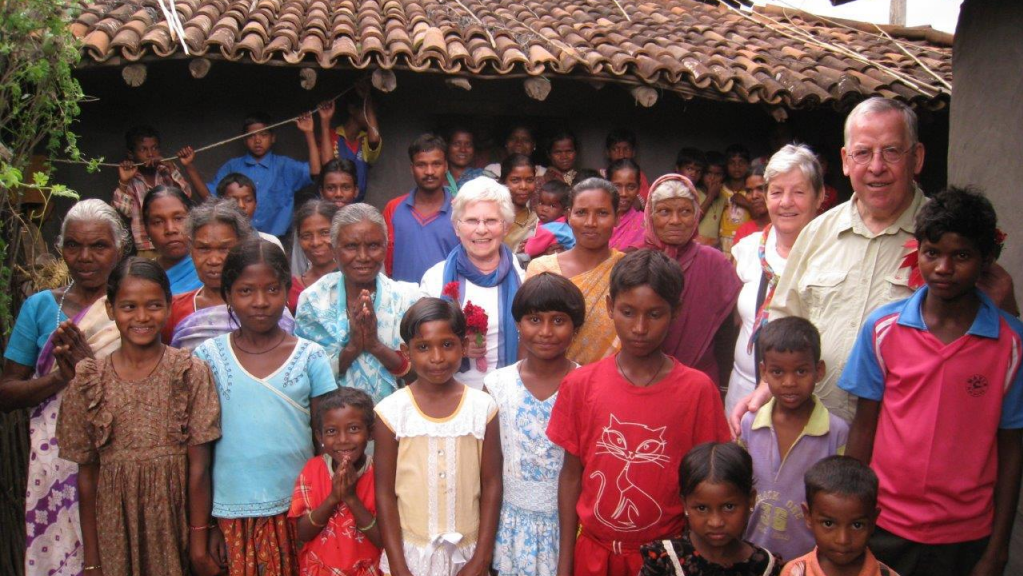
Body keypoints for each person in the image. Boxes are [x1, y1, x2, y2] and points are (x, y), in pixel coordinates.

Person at [838, 187, 1023, 576]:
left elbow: (1012, 450)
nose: (943, 267)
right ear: (917, 250)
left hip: (967, 534)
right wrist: (849, 522)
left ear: (987, 259)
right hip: (885, 523)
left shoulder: (1011, 343)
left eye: (962, 256)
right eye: (932, 252)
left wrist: (997, 550)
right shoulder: (882, 329)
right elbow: (864, 428)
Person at [731, 97, 928, 425]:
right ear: (846, 161)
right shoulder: (817, 234)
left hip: (903, 437)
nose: (876, 166)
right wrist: (766, 389)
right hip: (816, 433)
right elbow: (786, 317)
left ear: (917, 157)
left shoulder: (941, 239)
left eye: (892, 151)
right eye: (863, 153)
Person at [547, 250, 731, 576]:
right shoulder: (580, 384)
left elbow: (708, 483)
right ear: (609, 307)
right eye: (628, 312)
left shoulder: (697, 390)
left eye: (655, 314)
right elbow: (571, 475)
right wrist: (565, 562)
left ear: (676, 312)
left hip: (668, 559)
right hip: (593, 556)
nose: (640, 327)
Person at [56, 257, 221, 576]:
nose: (142, 317)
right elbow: (87, 477)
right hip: (116, 525)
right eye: (129, 307)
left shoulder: (189, 372)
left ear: (169, 306)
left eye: (154, 305)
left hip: (177, 517)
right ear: (109, 310)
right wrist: (92, 560)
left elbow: (200, 466)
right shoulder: (89, 380)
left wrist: (199, 539)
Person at [194, 239, 337, 576]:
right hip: (231, 516)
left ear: (287, 290)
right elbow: (199, 456)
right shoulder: (207, 359)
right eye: (246, 291)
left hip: (300, 513)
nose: (260, 302)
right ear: (228, 294)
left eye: (272, 289)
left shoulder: (311, 357)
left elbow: (325, 446)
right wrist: (203, 529)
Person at [0, 199, 126, 576]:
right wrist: (59, 378)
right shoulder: (41, 307)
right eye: (74, 245)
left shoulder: (136, 304)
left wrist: (91, 370)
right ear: (61, 249)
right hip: (54, 460)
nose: (85, 257)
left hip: (121, 450)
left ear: (119, 249)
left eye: (99, 246)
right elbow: (6, 392)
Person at [373, 298, 502, 576]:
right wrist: (397, 565)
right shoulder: (391, 413)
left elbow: (492, 484)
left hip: (468, 555)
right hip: (410, 556)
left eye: (447, 344)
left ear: (464, 346)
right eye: (423, 347)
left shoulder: (483, 409)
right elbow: (384, 494)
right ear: (406, 352)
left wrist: (481, 557)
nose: (437, 358)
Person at [485, 273, 585, 576]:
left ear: (576, 329)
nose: (545, 331)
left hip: (569, 530)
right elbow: (489, 473)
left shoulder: (585, 385)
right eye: (534, 319)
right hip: (509, 529)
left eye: (558, 320)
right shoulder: (497, 386)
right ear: (518, 324)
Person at [725, 145, 824, 416]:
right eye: (777, 192)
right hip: (741, 391)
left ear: (820, 197)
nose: (786, 202)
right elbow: (733, 320)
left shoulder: (831, 256)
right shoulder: (747, 249)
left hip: (800, 399)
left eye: (799, 192)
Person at [738, 317, 848, 562]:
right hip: (753, 555)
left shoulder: (836, 432)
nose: (789, 382)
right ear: (764, 372)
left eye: (801, 371)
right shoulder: (750, 424)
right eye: (778, 372)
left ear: (818, 371)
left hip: (808, 560)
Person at [295, 203, 423, 403]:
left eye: (373, 246)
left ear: (385, 248)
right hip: (339, 427)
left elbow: (428, 374)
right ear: (334, 250)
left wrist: (375, 346)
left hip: (400, 425)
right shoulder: (313, 301)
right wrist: (353, 347)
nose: (363, 257)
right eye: (351, 246)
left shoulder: (409, 300)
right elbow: (305, 379)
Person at [421, 178, 524, 389]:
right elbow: (421, 345)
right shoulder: (435, 278)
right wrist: (460, 347)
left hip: (510, 391)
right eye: (471, 220)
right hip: (453, 394)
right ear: (456, 227)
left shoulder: (522, 276)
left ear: (506, 227)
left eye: (491, 220)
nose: (481, 230)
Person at [643, 174, 741, 386]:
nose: (675, 220)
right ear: (650, 216)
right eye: (664, 211)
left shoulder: (714, 263)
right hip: (643, 377)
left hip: (701, 379)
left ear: (697, 215)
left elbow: (727, 333)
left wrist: (724, 385)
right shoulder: (635, 260)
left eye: (685, 211)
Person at [640, 443, 782, 576]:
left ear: (750, 500)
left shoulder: (765, 566)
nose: (716, 522)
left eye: (729, 507)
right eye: (702, 508)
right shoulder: (664, 559)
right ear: (685, 504)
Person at [163, 199, 284, 351]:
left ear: (242, 246)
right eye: (203, 249)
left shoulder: (265, 305)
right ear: (191, 247)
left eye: (224, 249)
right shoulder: (174, 310)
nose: (213, 260)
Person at [527, 178, 624, 365]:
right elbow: (526, 336)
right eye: (581, 213)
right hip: (548, 384)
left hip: (606, 383)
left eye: (602, 213)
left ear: (617, 217)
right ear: (569, 216)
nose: (590, 223)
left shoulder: (625, 270)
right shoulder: (541, 269)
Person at [289, 387, 382, 576]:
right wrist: (333, 497)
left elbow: (383, 539)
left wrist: (351, 498)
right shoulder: (312, 470)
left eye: (353, 428)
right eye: (331, 431)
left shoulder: (380, 474)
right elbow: (303, 533)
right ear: (319, 436)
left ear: (371, 432)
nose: (343, 440)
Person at [192, 112, 320, 237]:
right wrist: (189, 167)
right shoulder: (232, 166)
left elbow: (315, 171)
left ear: (273, 138)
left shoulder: (284, 165)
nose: (257, 140)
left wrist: (308, 132)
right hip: (239, 238)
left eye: (263, 135)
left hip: (279, 239)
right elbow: (210, 197)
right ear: (244, 139)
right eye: (252, 136)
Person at [780, 456, 896, 576]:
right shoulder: (795, 572)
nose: (842, 540)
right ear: (808, 516)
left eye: (857, 525)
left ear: (873, 520)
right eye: (828, 523)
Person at [113, 125, 203, 256]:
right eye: (143, 149)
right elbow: (120, 213)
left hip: (177, 243)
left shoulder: (165, 173)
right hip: (147, 248)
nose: (150, 154)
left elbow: (186, 196)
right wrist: (124, 182)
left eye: (154, 148)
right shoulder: (131, 181)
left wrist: (172, 169)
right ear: (131, 154)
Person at [383, 133, 460, 283]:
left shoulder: (460, 210)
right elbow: (384, 259)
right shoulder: (393, 208)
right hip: (403, 302)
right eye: (421, 165)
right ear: (412, 169)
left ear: (445, 167)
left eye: (436, 164)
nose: (429, 171)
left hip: (445, 303)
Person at [291, 158, 360, 277]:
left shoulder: (365, 226)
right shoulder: (308, 224)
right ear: (321, 192)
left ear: (356, 191)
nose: (338, 194)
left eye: (346, 187)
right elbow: (297, 273)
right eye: (331, 188)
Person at [317, 87, 382, 202]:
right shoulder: (332, 135)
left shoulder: (366, 140)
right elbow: (327, 164)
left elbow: (374, 139)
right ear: (352, 109)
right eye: (366, 110)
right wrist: (325, 121)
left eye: (373, 112)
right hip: (330, 205)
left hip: (356, 208)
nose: (372, 117)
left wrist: (368, 101)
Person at [141, 185, 201, 295]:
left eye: (178, 219)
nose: (170, 229)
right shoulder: (142, 277)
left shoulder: (212, 269)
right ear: (146, 229)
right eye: (158, 222)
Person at [288, 200, 339, 313]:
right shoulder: (291, 288)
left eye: (325, 232)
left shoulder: (355, 281)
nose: (315, 242)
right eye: (306, 236)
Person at [214, 173, 285, 250]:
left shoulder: (271, 243)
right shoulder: (209, 242)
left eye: (248, 200)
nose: (241, 205)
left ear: (256, 204)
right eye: (233, 201)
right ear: (220, 204)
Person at [499, 153, 539, 251]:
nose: (523, 186)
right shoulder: (491, 218)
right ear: (503, 182)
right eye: (515, 180)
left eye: (529, 180)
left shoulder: (536, 221)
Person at [719, 144, 753, 256]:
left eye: (741, 163)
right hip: (722, 241)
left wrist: (746, 204)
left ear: (748, 165)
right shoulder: (720, 190)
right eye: (732, 163)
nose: (736, 167)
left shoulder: (752, 191)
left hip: (746, 240)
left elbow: (762, 216)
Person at [606, 158, 646, 251]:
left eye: (631, 187)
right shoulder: (596, 218)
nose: (624, 193)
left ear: (639, 187)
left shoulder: (644, 223)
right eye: (617, 186)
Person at [603, 129, 651, 200]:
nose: (621, 155)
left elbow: (644, 201)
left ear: (633, 152)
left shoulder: (639, 176)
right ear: (608, 153)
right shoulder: (601, 175)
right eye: (615, 149)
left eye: (626, 149)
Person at [695, 151, 728, 248]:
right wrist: (710, 197)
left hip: (713, 249)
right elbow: (693, 222)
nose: (712, 178)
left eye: (718, 174)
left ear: (724, 176)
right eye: (708, 173)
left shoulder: (723, 197)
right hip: (695, 247)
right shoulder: (694, 193)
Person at [732, 167, 768, 245]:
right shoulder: (744, 232)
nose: (754, 196)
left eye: (760, 189)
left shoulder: (786, 228)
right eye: (749, 191)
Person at [446, 127, 487, 191]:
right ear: (447, 147)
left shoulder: (484, 178)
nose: (463, 149)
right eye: (457, 144)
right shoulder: (438, 177)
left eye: (468, 145)